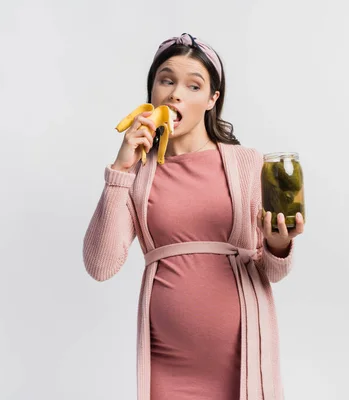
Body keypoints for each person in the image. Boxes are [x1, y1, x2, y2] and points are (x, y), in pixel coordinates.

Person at [83, 33, 305, 400]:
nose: (175, 94)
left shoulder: (247, 162)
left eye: (193, 85)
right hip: (166, 363)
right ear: (151, 90)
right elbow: (100, 265)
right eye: (166, 80)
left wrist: (279, 244)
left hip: (241, 360)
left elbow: (273, 272)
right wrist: (120, 169)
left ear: (212, 99)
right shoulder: (137, 171)